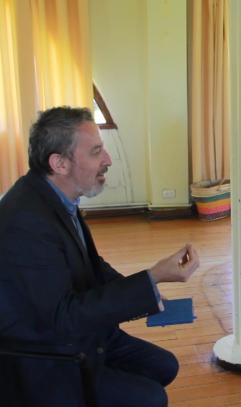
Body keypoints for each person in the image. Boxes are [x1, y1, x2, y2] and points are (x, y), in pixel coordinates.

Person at [0, 107, 200, 407]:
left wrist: (149, 290)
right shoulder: (25, 222)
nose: (107, 159)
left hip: (82, 334)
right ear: (60, 163)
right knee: (152, 398)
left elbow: (93, 267)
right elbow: (63, 319)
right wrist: (153, 277)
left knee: (164, 366)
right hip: (50, 356)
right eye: (96, 151)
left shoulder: (54, 195)